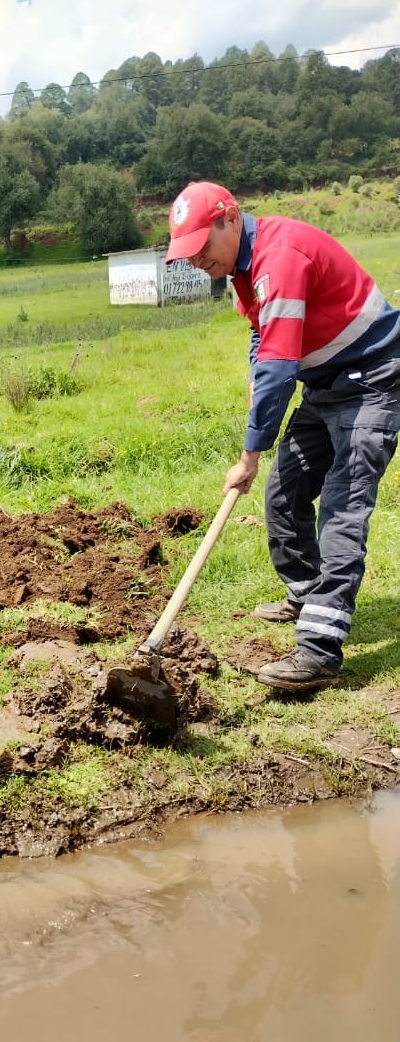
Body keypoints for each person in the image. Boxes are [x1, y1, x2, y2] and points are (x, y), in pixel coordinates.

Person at [165, 181, 400, 693]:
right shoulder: (241, 269)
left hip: (373, 382)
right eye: (187, 254)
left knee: (342, 507)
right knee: (284, 491)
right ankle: (308, 593)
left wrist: (250, 452)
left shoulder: (280, 256)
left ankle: (319, 652)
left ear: (231, 218)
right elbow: (261, 336)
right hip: (324, 384)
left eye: (202, 246)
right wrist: (257, 378)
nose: (196, 260)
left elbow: (278, 365)